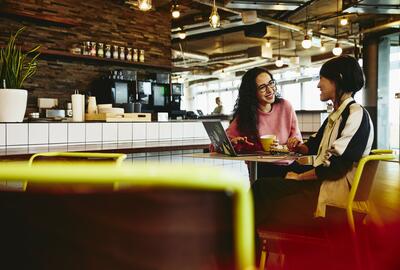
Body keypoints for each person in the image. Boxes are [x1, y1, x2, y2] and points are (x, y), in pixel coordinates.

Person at [252, 55, 374, 230]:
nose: (318, 85)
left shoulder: (355, 114)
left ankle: (245, 248)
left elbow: (336, 167)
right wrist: (299, 147)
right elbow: (314, 144)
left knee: (263, 196)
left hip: (332, 196)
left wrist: (299, 177)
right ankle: (249, 246)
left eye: (322, 79)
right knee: (263, 186)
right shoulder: (336, 114)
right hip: (322, 185)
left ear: (337, 80)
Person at [225, 67, 302, 176]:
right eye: (262, 87)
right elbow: (219, 144)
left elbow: (298, 141)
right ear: (252, 92)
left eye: (271, 83)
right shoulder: (245, 116)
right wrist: (233, 143)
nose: (270, 90)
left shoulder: (285, 106)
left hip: (289, 165)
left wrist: (282, 148)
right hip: (262, 168)